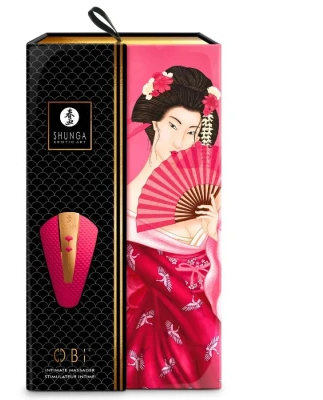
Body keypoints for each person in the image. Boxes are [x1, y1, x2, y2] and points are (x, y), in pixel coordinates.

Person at [126, 66, 221, 389]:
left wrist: (214, 235)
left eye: (192, 131)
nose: (181, 142)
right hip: (154, 325)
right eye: (173, 125)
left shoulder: (211, 193)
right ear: (155, 122)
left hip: (211, 320)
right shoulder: (123, 202)